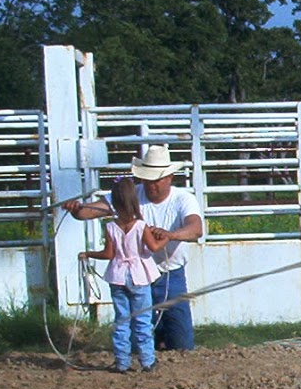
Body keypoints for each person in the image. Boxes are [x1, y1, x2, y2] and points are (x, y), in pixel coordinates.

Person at [64, 145, 205, 353]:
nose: (150, 185)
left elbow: (196, 228)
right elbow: (92, 211)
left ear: (169, 178)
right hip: (137, 277)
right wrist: (77, 210)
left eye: (155, 180)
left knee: (181, 343)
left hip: (169, 274)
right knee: (136, 338)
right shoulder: (131, 196)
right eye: (147, 179)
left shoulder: (183, 199)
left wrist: (171, 234)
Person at [79, 176, 163, 373]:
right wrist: (165, 238)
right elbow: (154, 247)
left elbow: (109, 254)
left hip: (117, 275)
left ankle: (122, 362)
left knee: (122, 320)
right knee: (142, 319)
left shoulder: (110, 227)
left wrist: (88, 253)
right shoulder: (141, 226)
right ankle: (147, 361)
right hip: (139, 275)